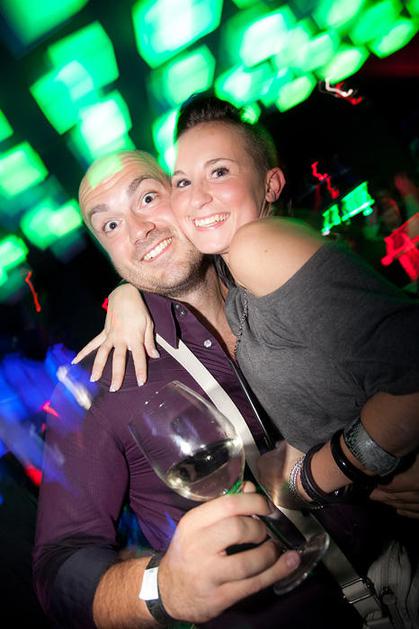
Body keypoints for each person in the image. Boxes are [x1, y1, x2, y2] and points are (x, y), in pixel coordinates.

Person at [34, 151, 368, 629]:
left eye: (147, 198)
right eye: (110, 225)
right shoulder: (94, 384)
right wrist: (162, 588)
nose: (138, 230)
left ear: (183, 192)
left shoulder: (276, 280)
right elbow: (59, 567)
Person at [78, 95, 419, 519]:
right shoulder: (237, 283)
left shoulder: (254, 247)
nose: (198, 198)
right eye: (184, 182)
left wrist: (316, 478)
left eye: (219, 172)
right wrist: (127, 292)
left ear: (271, 184)